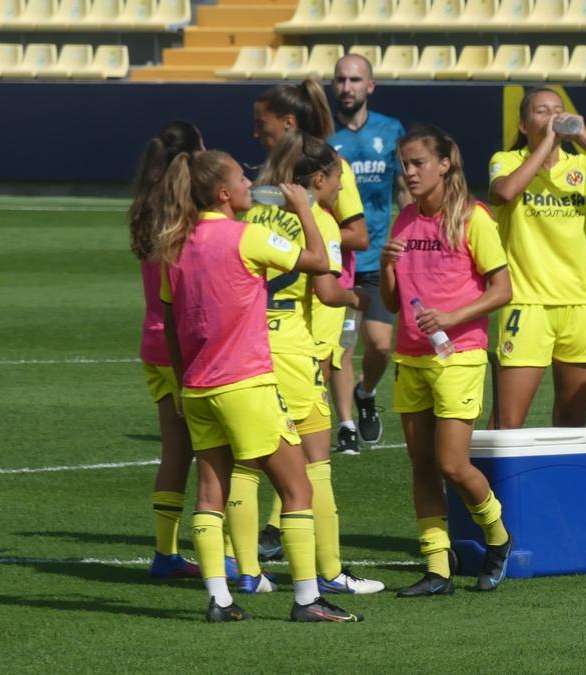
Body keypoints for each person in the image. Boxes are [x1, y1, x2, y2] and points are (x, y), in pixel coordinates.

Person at [156, 148, 362, 623]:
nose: (252, 182)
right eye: (241, 179)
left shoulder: (177, 245)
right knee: (298, 490)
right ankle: (309, 600)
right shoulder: (248, 238)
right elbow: (316, 263)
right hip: (246, 384)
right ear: (223, 194)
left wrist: (183, 375)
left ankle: (220, 601)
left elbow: (169, 320)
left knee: (210, 492)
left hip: (198, 387)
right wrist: (306, 210)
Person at [234, 131, 383, 595]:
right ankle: (331, 571)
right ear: (318, 178)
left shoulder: (253, 212)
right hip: (292, 351)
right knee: (317, 463)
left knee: (245, 462)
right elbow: (325, 289)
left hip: (247, 346)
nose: (341, 187)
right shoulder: (318, 219)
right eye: (339, 178)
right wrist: (366, 298)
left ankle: (246, 572)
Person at [380, 126, 514, 596]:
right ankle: (437, 568)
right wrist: (387, 264)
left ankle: (498, 538)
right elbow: (393, 303)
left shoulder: (474, 218)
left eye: (418, 163)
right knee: (421, 463)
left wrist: (453, 316)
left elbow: (503, 289)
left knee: (453, 463)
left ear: (444, 164)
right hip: (411, 356)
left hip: (459, 356)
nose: (409, 172)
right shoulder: (404, 221)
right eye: (405, 164)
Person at [248, 79, 369, 563]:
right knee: (304, 441)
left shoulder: (305, 179)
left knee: (280, 439)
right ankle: (318, 562)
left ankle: (273, 534)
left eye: (263, 123)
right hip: (300, 316)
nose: (256, 132)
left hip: (304, 317)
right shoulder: (269, 192)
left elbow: (357, 231)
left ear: (288, 123)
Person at [487, 88, 586, 429]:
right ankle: (486, 484)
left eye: (558, 110)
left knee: (572, 421)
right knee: (508, 421)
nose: (552, 116)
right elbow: (505, 192)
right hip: (527, 302)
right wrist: (547, 146)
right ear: (524, 125)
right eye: (541, 111)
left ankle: (562, 483)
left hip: (581, 302)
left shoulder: (581, 166)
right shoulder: (507, 160)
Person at [127, 120, 203, 580]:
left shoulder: (146, 207)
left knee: (176, 451)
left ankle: (165, 552)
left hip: (153, 342)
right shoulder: (185, 216)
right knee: (222, 452)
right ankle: (232, 555)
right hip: (186, 344)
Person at [328, 54, 408, 450]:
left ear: (370, 86)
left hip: (378, 257)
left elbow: (405, 188)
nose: (347, 87)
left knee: (380, 345)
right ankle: (345, 427)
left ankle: (366, 393)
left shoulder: (391, 130)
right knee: (341, 345)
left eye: (355, 80)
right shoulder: (324, 137)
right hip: (337, 259)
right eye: (341, 79)